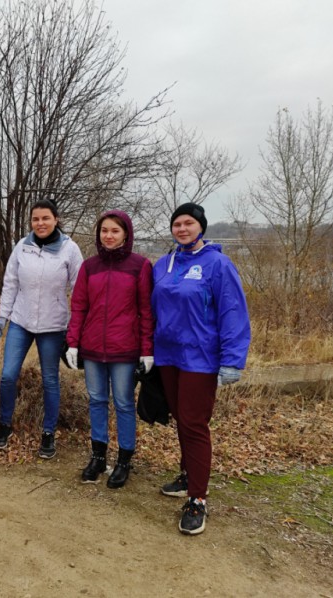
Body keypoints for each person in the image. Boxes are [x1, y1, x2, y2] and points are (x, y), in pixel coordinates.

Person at [152, 202, 251, 535]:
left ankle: (197, 500)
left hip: (200, 357)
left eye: (188, 223)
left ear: (201, 227)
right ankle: (187, 476)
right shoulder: (163, 265)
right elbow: (152, 309)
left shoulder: (218, 264)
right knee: (181, 419)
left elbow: (233, 312)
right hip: (168, 355)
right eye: (177, 224)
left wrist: (233, 359)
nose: (182, 229)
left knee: (194, 423)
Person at [65, 210, 154, 488]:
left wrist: (147, 350)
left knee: (124, 403)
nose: (109, 235)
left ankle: (124, 460)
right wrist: (73, 343)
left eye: (115, 230)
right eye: (104, 230)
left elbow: (146, 311)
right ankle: (99, 456)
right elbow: (79, 306)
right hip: (92, 348)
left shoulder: (139, 266)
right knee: (97, 401)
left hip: (124, 349)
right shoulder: (89, 267)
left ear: (125, 234)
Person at [0, 199, 83, 458]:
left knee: (50, 380)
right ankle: (4, 425)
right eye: (35, 219)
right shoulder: (23, 246)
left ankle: (48, 433)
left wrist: (76, 326)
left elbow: (79, 289)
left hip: (53, 325)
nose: (40, 223)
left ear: (56, 219)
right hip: (21, 321)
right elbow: (10, 283)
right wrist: (3, 316)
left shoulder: (70, 249)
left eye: (45, 218)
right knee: (9, 375)